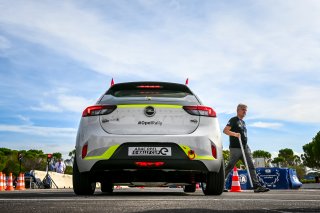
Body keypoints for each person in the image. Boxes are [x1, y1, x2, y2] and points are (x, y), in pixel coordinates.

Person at [223, 104, 269, 193]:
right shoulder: (233, 120)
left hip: (245, 148)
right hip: (235, 148)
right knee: (230, 166)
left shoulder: (243, 122)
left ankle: (257, 186)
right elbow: (225, 131)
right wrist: (235, 134)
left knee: (251, 166)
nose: (245, 112)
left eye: (246, 110)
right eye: (243, 109)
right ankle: (220, 184)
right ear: (238, 110)